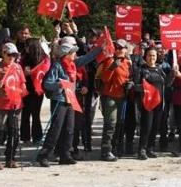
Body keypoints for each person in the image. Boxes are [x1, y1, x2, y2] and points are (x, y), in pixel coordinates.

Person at [37, 37, 101, 166]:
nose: (75, 54)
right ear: (67, 53)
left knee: (69, 129)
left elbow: (88, 58)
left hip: (70, 100)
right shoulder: (57, 65)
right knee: (55, 129)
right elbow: (48, 84)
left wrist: (101, 48)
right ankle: (43, 155)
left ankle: (65, 155)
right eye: (73, 52)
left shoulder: (73, 64)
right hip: (59, 101)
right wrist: (60, 84)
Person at [0, 43, 27, 170]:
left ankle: (11, 158)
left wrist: (21, 91)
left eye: (14, 55)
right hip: (0, 104)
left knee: (14, 132)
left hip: (16, 103)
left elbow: (23, 85)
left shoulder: (18, 67)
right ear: (3, 54)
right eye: (9, 54)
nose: (12, 57)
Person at [96, 39, 132, 161]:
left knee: (119, 124)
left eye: (121, 48)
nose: (119, 50)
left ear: (126, 50)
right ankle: (106, 151)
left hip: (122, 97)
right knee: (110, 123)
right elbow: (104, 79)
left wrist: (129, 84)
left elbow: (127, 77)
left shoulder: (127, 62)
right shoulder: (109, 61)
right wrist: (112, 67)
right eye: (116, 47)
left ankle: (115, 148)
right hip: (110, 96)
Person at [132, 47, 169, 159]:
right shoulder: (141, 70)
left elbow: (166, 83)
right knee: (146, 126)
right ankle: (141, 149)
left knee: (155, 126)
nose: (152, 58)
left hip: (159, 103)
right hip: (147, 103)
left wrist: (173, 74)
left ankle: (150, 148)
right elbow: (135, 87)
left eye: (154, 55)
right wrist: (144, 88)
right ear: (145, 56)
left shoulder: (159, 69)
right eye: (149, 55)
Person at [20, 38, 48, 145]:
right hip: (26, 88)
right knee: (25, 113)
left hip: (37, 89)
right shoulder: (24, 57)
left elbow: (44, 71)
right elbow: (19, 69)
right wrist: (24, 72)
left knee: (36, 114)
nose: (26, 48)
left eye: (28, 46)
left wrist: (32, 72)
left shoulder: (42, 58)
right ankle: (25, 137)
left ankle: (37, 137)